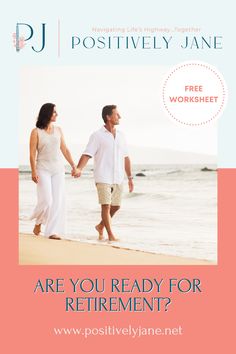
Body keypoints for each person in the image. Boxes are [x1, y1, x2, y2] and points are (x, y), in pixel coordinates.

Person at [73, 105, 134, 241]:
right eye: (117, 114)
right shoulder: (97, 136)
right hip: (103, 176)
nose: (120, 117)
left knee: (116, 206)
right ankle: (111, 235)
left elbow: (126, 157)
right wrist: (79, 168)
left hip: (118, 177)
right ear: (108, 117)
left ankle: (100, 226)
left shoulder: (122, 136)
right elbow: (87, 154)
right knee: (106, 206)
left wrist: (130, 177)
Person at [29, 103, 76, 240]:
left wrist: (73, 165)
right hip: (42, 169)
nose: (57, 114)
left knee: (57, 202)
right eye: (54, 112)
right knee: (47, 201)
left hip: (58, 170)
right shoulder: (36, 131)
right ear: (47, 113)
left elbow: (65, 150)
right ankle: (38, 221)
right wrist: (33, 171)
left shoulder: (59, 130)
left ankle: (51, 231)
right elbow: (32, 154)